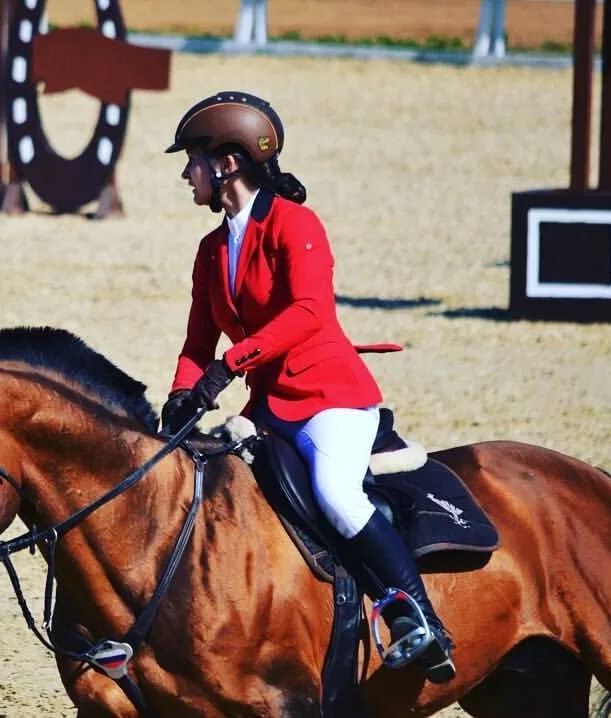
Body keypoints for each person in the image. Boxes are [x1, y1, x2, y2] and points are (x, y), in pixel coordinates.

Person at [160, 91, 455, 684]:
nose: (184, 173)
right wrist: (180, 396)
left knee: (336, 493)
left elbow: (309, 313)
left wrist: (231, 364)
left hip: (330, 400)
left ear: (227, 164)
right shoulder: (210, 250)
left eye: (191, 159)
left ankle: (419, 620)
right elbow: (196, 343)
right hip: (269, 407)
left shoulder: (296, 224)